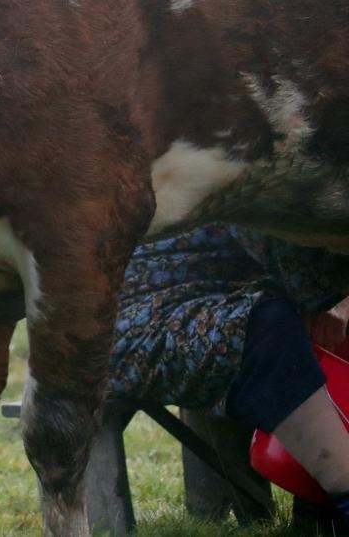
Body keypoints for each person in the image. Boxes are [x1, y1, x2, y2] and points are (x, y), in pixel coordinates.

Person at [109, 223, 349, 520]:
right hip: (134, 318)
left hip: (210, 297)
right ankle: (339, 491)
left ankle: (322, 508)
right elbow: (275, 237)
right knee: (265, 328)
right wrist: (330, 298)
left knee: (279, 321)